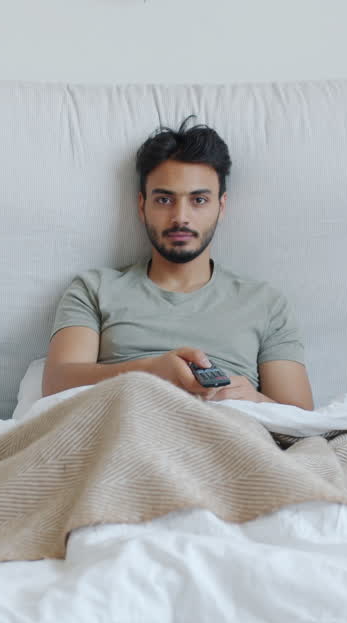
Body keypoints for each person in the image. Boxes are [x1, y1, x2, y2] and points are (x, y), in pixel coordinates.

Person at [42, 116, 314, 410]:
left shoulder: (265, 303)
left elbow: (303, 422)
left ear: (221, 207)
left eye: (198, 200)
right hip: (127, 430)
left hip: (230, 435)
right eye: (164, 200)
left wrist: (255, 399)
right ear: (142, 206)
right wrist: (151, 372)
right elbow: (56, 385)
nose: (181, 217)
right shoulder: (94, 289)